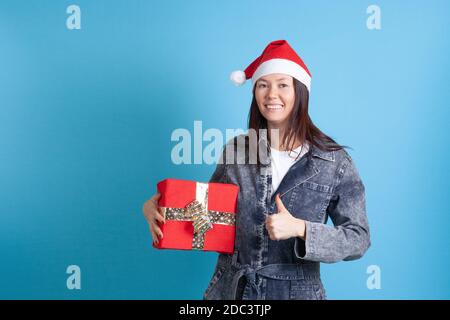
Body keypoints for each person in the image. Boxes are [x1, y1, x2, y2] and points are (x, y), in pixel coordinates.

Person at [142, 40, 371, 300]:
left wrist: (301, 229)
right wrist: (163, 209)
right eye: (263, 85)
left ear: (300, 91)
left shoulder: (333, 161)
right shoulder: (236, 151)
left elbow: (358, 239)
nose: (271, 94)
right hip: (231, 292)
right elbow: (209, 219)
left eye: (282, 84)